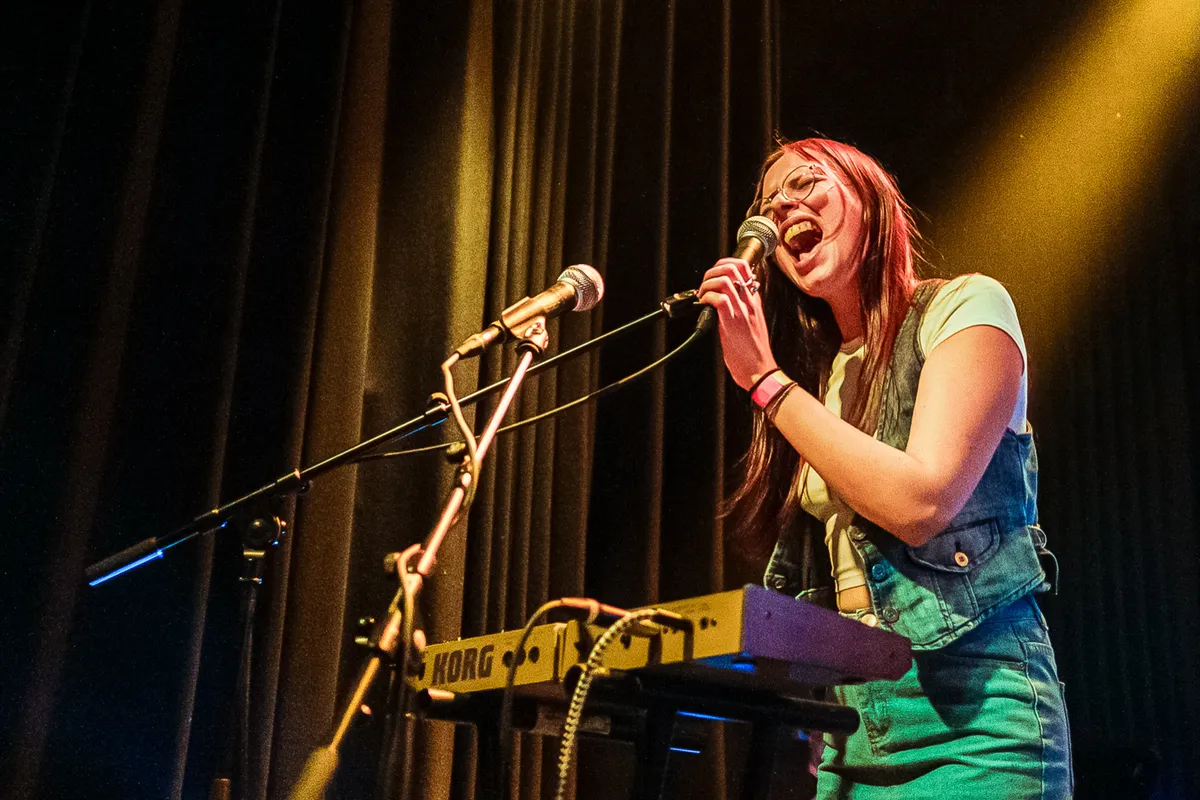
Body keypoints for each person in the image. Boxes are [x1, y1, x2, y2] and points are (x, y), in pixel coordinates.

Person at [697, 137, 1073, 799]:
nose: (781, 208)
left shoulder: (966, 307)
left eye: (805, 184)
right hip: (851, 726)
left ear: (869, 200)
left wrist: (763, 379)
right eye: (767, 202)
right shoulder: (822, 378)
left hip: (975, 717)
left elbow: (922, 503)